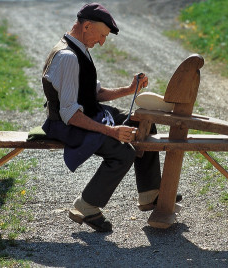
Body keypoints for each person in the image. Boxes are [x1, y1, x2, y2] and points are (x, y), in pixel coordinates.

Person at [41, 3, 180, 232]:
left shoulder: (79, 48)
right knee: (122, 152)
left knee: (143, 122)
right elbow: (69, 114)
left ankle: (150, 193)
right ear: (86, 26)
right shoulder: (67, 57)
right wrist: (112, 131)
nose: (102, 42)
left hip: (86, 114)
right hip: (67, 124)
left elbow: (93, 94)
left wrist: (129, 88)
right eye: (102, 35)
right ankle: (86, 206)